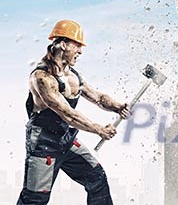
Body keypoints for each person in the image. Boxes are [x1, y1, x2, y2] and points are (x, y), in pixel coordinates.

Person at [17, 20, 130, 205]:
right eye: (77, 45)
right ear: (63, 44)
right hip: (42, 143)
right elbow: (67, 114)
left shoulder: (73, 76)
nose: (80, 51)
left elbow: (99, 98)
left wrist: (118, 106)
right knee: (34, 200)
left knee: (97, 178)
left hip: (65, 140)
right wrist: (99, 129)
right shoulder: (42, 77)